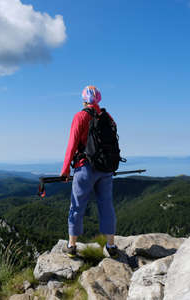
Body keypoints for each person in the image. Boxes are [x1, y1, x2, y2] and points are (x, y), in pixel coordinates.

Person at [60, 85, 119, 259]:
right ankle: (111, 245)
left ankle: (72, 245)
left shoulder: (80, 116)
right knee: (106, 205)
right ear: (99, 99)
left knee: (77, 206)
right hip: (106, 168)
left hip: (85, 168)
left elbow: (72, 144)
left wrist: (65, 170)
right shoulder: (107, 117)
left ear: (84, 99)